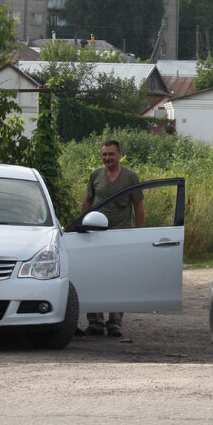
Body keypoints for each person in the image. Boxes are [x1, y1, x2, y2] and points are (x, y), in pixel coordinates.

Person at [81, 139, 145, 336]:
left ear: (120, 154)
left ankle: (115, 322)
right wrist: (82, 225)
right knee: (94, 277)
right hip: (97, 235)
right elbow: (88, 200)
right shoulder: (95, 175)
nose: (107, 158)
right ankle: (95, 323)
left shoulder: (130, 177)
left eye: (111, 154)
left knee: (118, 278)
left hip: (121, 234)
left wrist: (139, 235)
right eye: (104, 154)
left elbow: (139, 207)